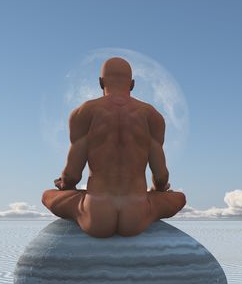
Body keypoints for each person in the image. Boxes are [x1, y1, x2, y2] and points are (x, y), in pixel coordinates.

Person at [41, 57, 186, 238]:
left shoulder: (83, 112)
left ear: (101, 82)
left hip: (95, 215)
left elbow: (71, 175)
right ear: (132, 84)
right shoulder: (152, 116)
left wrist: (65, 186)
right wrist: (158, 191)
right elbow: (161, 176)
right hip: (137, 214)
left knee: (47, 194)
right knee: (180, 197)